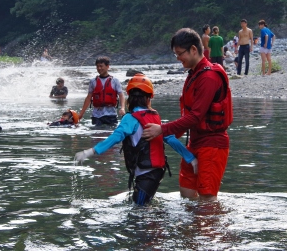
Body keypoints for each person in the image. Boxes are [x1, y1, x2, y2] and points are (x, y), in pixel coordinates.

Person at [74, 73, 198, 206]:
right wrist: (191, 159)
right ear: (149, 98)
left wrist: (90, 152)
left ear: (129, 99)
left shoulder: (130, 118)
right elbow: (171, 139)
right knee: (143, 207)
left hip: (146, 175)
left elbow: (114, 138)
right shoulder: (155, 117)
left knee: (139, 211)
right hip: (156, 173)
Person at [142, 28, 232, 201]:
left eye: (179, 54)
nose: (178, 59)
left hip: (212, 145)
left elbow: (196, 116)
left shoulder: (209, 77)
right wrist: (164, 137)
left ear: (193, 49)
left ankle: (211, 227)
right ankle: (192, 228)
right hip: (195, 143)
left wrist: (161, 129)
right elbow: (188, 117)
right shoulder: (194, 75)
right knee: (186, 193)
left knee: (207, 199)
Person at [78, 56, 125, 126]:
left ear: (107, 66)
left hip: (111, 114)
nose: (99, 68)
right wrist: (81, 113)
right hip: (96, 115)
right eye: (97, 66)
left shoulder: (115, 81)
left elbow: (121, 95)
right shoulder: (93, 81)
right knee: (97, 134)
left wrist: (123, 108)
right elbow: (88, 98)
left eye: (101, 66)